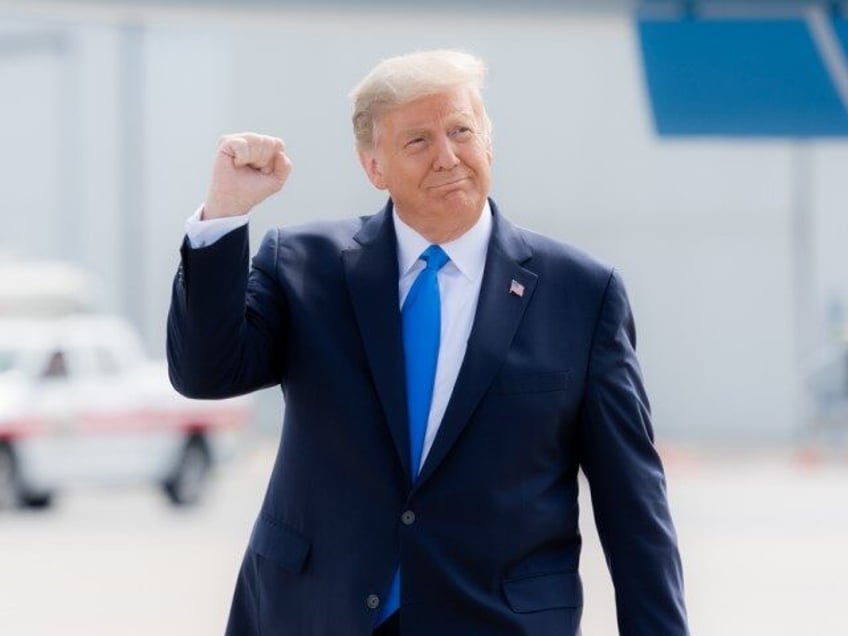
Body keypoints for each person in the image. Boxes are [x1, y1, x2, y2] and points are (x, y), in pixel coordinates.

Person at [167, 49, 688, 636]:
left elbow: (633, 507)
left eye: (461, 131)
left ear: (489, 140)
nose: (448, 157)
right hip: (313, 613)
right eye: (417, 141)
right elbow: (205, 373)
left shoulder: (583, 294)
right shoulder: (303, 267)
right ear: (374, 167)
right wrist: (226, 214)